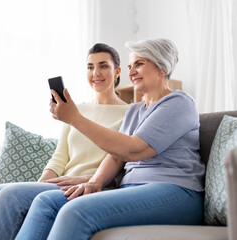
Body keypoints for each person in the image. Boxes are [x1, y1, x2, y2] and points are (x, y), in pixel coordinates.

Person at [15, 38, 206, 240]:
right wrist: (94, 182)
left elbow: (133, 150)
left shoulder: (178, 102)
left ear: (162, 68)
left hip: (177, 191)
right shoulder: (135, 111)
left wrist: (75, 118)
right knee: (46, 202)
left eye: (139, 64)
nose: (131, 72)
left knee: (75, 212)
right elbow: (116, 157)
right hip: (132, 188)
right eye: (130, 66)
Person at [0, 43, 129, 240]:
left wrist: (89, 179)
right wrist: (40, 184)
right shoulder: (74, 110)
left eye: (103, 66)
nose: (96, 72)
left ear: (117, 71)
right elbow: (59, 157)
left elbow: (123, 163)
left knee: (10, 195)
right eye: (90, 67)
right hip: (59, 182)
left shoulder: (130, 113)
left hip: (89, 186)